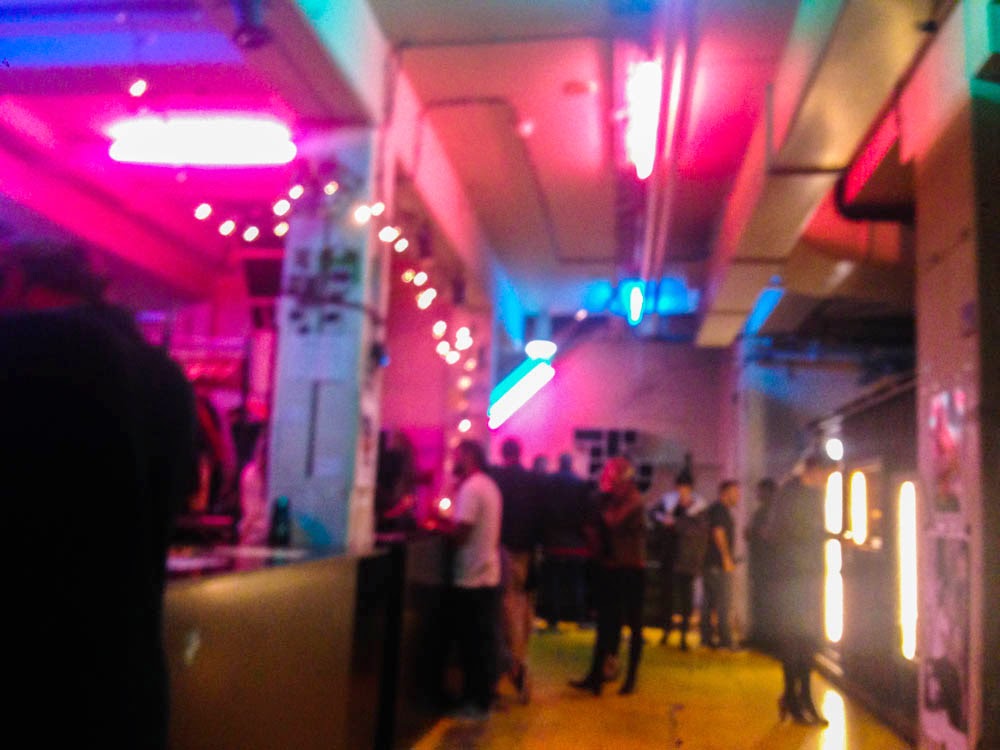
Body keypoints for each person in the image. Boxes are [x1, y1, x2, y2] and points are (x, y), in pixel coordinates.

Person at [0, 240, 199, 748]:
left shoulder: (23, 347)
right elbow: (181, 496)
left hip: (30, 682)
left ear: (17, 281)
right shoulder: (166, 375)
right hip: (131, 684)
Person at [427, 439, 503, 720]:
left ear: (470, 455)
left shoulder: (472, 488)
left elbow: (463, 533)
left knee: (471, 645)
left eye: (457, 456)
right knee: (482, 642)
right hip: (488, 573)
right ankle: (482, 698)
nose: (454, 461)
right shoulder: (489, 485)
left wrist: (439, 529)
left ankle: (475, 702)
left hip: (471, 577)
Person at [765, 453, 834, 725]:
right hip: (792, 576)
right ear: (813, 470)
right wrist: (824, 536)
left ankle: (798, 697)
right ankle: (797, 699)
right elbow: (780, 532)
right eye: (826, 474)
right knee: (796, 639)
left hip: (806, 574)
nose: (826, 480)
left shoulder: (806, 494)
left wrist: (830, 536)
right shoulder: (789, 495)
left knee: (805, 640)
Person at [570, 457, 646, 695]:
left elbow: (613, 521)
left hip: (631, 568)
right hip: (613, 566)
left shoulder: (634, 499)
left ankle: (630, 678)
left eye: (614, 479)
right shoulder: (615, 498)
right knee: (605, 624)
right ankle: (596, 677)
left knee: (634, 624)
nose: (610, 484)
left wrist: (600, 499)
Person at [489, 437, 544, 703]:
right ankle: (518, 662)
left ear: (502, 453)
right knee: (523, 611)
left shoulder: (498, 479)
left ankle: (513, 669)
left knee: (507, 611)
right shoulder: (533, 480)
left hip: (505, 550)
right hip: (529, 552)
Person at [648, 463, 706, 646]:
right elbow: (652, 513)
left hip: (687, 558)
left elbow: (698, 531)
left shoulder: (699, 506)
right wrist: (662, 520)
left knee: (685, 598)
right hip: (670, 556)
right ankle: (667, 631)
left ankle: (683, 635)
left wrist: (674, 524)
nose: (682, 491)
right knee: (668, 596)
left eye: (685, 487)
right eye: (680, 487)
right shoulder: (669, 502)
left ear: (690, 488)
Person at [539, 452, 590, 631]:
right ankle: (580, 618)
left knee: (553, 583)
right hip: (576, 542)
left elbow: (543, 511)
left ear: (559, 463)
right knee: (577, 583)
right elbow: (586, 513)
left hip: (553, 542)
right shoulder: (580, 484)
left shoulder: (549, 482)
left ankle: (553, 620)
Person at [700, 479, 741, 650]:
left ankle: (706, 638)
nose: (738, 496)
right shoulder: (720, 511)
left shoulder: (714, 510)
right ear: (725, 493)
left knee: (709, 601)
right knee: (724, 602)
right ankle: (726, 640)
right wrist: (726, 558)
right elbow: (718, 532)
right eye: (735, 493)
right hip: (718, 563)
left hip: (709, 563)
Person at [746, 477, 778, 650]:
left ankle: (764, 639)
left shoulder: (770, 512)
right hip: (762, 565)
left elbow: (766, 535)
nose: (757, 494)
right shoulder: (763, 511)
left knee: (764, 603)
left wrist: (754, 533)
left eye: (760, 491)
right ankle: (761, 637)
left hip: (766, 567)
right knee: (760, 601)